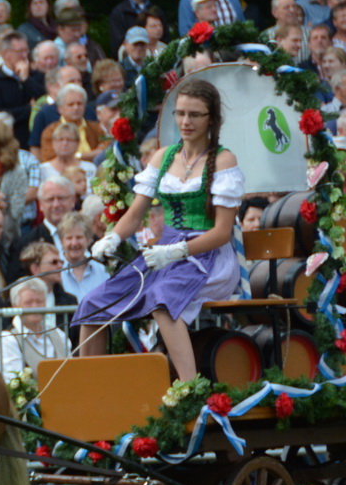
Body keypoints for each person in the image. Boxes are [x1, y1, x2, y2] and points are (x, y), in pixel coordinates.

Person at [76, 80, 241, 381]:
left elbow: (221, 232)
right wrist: (111, 237)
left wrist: (177, 251)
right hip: (162, 253)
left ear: (212, 119)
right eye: (180, 114)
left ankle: (189, 388)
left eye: (195, 114)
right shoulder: (163, 156)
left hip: (208, 255)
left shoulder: (223, 159)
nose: (186, 122)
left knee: (162, 300)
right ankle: (91, 386)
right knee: (93, 302)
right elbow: (137, 212)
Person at [0, 276, 70, 379]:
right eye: (28, 302)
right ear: (16, 306)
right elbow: (12, 382)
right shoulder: (9, 339)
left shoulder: (58, 334)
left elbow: (72, 372)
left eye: (39, 301)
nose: (35, 307)